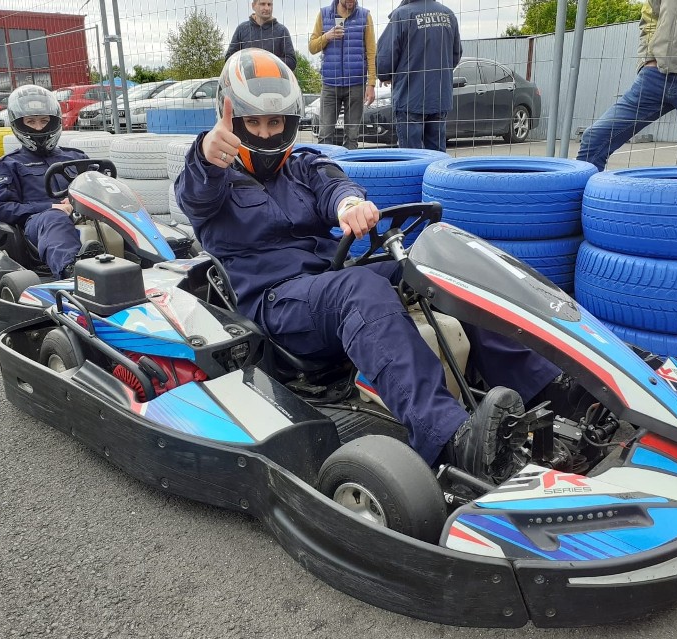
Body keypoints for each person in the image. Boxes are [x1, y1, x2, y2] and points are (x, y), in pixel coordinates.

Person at [176, 49, 567, 481]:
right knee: (359, 290)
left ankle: (543, 384)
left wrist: (349, 205)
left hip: (327, 283)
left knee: (430, 271)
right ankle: (450, 436)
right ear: (230, 121)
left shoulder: (302, 166)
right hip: (275, 305)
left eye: (274, 123)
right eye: (253, 123)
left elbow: (335, 187)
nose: (266, 134)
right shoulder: (212, 179)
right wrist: (206, 156)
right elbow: (194, 194)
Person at [577, 0, 677, 171]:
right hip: (656, 76)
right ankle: (580, 197)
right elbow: (650, 15)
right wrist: (648, 59)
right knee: (595, 138)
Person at [0, 85, 91, 279]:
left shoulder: (76, 157)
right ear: (18, 124)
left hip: (84, 214)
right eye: (31, 121)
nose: (38, 127)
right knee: (54, 217)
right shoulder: (10, 164)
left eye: (44, 121)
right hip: (39, 223)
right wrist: (50, 206)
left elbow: (99, 185)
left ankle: (158, 260)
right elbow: (0, 207)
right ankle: (73, 273)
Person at [376, 0, 462, 151]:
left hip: (410, 97)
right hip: (439, 97)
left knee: (412, 157)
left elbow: (386, 53)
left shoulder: (402, 15)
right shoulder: (447, 14)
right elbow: (456, 54)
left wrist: (384, 74)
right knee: (436, 154)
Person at [309, 0, 377, 150]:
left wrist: (371, 83)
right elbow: (312, 47)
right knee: (325, 135)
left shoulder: (365, 16)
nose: (351, 1)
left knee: (352, 136)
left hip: (356, 84)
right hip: (330, 84)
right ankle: (324, 170)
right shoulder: (324, 14)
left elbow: (372, 52)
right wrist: (327, 36)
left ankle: (348, 172)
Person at [226, 0, 296, 71]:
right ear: (253, 6)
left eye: (269, 4)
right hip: (247, 81)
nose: (267, 8)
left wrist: (266, 61)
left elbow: (292, 62)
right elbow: (229, 59)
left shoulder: (282, 31)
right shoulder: (242, 29)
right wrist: (249, 62)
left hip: (274, 80)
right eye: (262, 4)